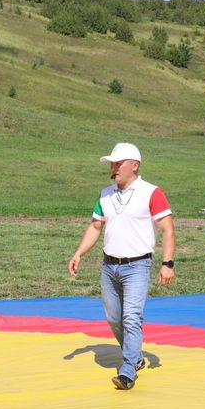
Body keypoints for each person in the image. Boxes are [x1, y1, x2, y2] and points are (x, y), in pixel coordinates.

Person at [67, 142, 175, 391]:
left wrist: (167, 263)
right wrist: (79, 253)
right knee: (114, 318)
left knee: (131, 317)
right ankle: (136, 357)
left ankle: (128, 371)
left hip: (137, 266)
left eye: (118, 163)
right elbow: (96, 226)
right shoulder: (105, 194)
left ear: (134, 166)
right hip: (109, 266)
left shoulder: (151, 192)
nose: (113, 168)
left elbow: (168, 229)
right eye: (112, 164)